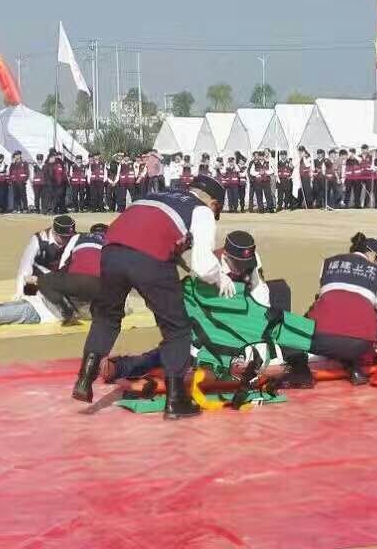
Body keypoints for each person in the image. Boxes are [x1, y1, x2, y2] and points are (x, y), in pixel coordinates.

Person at [72, 173, 232, 420]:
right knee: (177, 329)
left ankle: (85, 376)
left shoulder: (154, 196)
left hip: (111, 251)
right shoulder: (202, 211)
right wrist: (221, 278)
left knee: (107, 317)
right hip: (150, 258)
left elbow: (150, 233)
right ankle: (176, 401)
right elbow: (202, 265)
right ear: (214, 203)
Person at [97, 229, 273, 386]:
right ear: (225, 255)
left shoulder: (251, 261)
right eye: (237, 265)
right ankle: (121, 367)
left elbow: (261, 298)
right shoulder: (206, 266)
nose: (241, 270)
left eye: (245, 265)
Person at [282, 233, 377, 387]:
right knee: (364, 316)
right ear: (373, 257)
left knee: (284, 326)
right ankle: (355, 367)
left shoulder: (328, 264)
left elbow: (328, 301)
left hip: (324, 339)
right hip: (360, 346)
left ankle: (301, 372)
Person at [32, 222, 108, 325]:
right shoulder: (111, 242)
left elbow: (63, 262)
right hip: (99, 287)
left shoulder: (78, 237)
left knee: (43, 280)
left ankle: (67, 311)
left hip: (76, 283)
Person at [13, 214, 78, 300]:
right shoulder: (38, 240)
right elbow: (25, 267)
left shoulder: (75, 238)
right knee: (31, 294)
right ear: (54, 232)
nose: (67, 240)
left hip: (61, 278)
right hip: (38, 277)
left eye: (69, 237)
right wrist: (20, 292)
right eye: (63, 237)